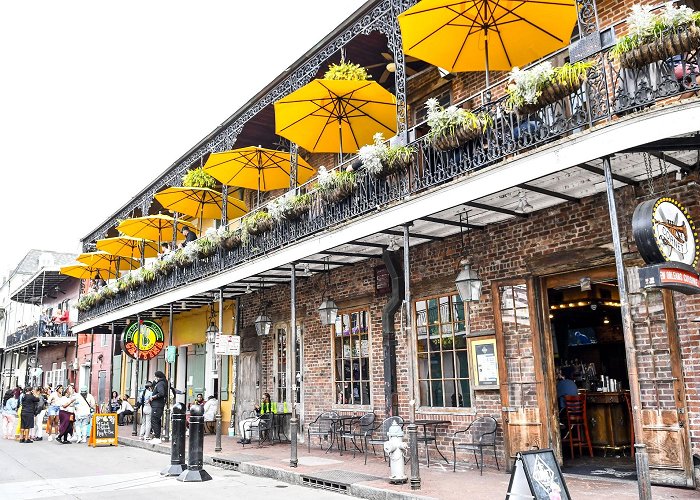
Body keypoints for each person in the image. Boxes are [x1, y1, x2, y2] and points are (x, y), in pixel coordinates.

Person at [148, 371, 168, 443]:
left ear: (157, 376)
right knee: (157, 420)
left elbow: (161, 393)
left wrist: (153, 397)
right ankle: (157, 436)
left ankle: (157, 437)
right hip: (159, 405)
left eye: (155, 376)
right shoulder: (163, 383)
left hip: (157, 405)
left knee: (154, 420)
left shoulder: (160, 384)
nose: (154, 378)